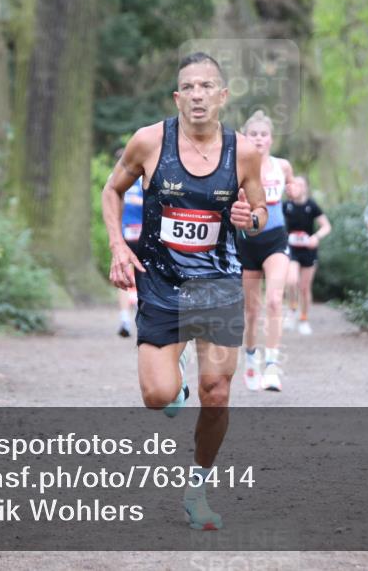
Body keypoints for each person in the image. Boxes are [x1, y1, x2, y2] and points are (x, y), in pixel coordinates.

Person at [102, 52, 267, 531]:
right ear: (178, 97)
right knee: (158, 396)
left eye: (207, 86)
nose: (198, 95)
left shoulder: (245, 153)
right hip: (162, 283)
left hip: (218, 285)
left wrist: (248, 220)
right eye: (189, 87)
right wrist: (117, 245)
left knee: (217, 395)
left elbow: (258, 213)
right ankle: (175, 382)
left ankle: (198, 488)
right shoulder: (150, 142)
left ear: (222, 96)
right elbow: (111, 191)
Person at [236, 111, 294, 392]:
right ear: (245, 137)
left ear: (271, 139)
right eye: (253, 134)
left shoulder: (282, 166)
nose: (259, 139)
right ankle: (250, 356)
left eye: (263, 134)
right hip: (247, 241)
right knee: (251, 311)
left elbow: (292, 186)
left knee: (274, 300)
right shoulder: (238, 167)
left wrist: (294, 191)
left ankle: (272, 364)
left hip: (275, 239)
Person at [283, 176, 331, 335]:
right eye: (294, 184)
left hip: (308, 251)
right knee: (291, 280)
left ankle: (303, 319)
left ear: (305, 188)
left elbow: (326, 226)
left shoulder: (312, 205)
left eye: (301, 184)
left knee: (304, 288)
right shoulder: (286, 205)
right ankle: (292, 309)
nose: (297, 187)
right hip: (292, 250)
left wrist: (316, 237)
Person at [117, 160, 143, 338]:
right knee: (123, 276)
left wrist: (138, 201)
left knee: (145, 276)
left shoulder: (144, 178)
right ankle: (125, 319)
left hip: (143, 233)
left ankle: (143, 317)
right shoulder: (116, 179)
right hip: (125, 233)